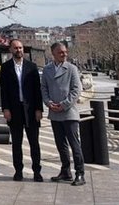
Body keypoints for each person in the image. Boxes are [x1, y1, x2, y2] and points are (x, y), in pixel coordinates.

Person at [41, 41, 85, 186]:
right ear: (53, 53)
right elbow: (44, 89)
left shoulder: (72, 69)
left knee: (74, 144)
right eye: (60, 52)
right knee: (61, 145)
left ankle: (80, 173)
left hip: (69, 113)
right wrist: (49, 103)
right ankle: (65, 171)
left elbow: (76, 90)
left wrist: (64, 104)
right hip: (54, 113)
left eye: (65, 52)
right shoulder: (47, 70)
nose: (64, 54)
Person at [1, 38, 43, 182]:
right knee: (17, 143)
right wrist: (5, 108)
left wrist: (39, 109)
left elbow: (38, 90)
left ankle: (37, 171)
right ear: (10, 50)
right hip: (14, 110)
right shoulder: (5, 67)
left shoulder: (32, 67)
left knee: (34, 143)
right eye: (16, 48)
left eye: (20, 48)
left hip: (30, 110)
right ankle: (18, 171)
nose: (18, 50)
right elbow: (4, 90)